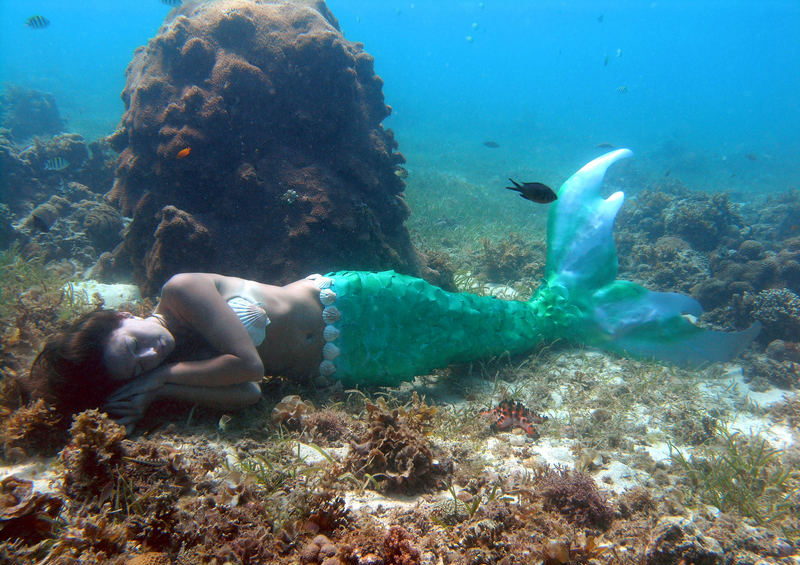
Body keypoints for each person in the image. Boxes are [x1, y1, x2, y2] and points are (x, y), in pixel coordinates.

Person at [30, 150, 760, 432]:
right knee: (507, 335)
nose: (150, 351)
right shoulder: (179, 367)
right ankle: (586, 310)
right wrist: (162, 391)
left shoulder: (183, 291)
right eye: (136, 366)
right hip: (362, 364)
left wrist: (161, 380)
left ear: (124, 315)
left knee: (510, 324)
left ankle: (580, 301)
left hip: (365, 305)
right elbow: (247, 396)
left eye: (133, 343)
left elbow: (249, 368)